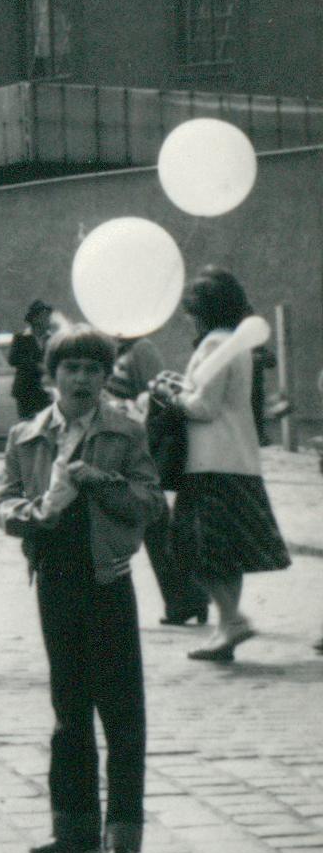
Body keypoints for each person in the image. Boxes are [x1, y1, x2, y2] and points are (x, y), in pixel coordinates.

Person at [0, 325, 162, 853]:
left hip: (107, 578)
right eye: (72, 369)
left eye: (94, 369)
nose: (83, 379)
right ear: (52, 376)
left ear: (105, 377)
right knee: (68, 709)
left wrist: (98, 481)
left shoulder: (125, 431)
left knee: (121, 711)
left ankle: (122, 835)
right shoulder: (27, 434)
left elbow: (151, 502)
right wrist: (33, 512)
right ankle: (72, 825)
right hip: (56, 578)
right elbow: (4, 503)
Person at [153, 267, 291, 662]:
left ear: (203, 311)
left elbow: (203, 407)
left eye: (190, 309)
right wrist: (182, 386)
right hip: (238, 460)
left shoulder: (214, 345)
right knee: (227, 552)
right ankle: (225, 628)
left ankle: (232, 619)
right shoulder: (236, 345)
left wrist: (166, 394)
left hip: (208, 463)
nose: (186, 317)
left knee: (192, 548)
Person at [108, 335, 208, 627]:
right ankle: (188, 597)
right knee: (154, 524)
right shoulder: (120, 347)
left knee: (153, 524)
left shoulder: (142, 348)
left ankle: (186, 597)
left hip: (140, 444)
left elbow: (156, 397)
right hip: (123, 442)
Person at [10, 299, 54, 422]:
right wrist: (36, 366)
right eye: (44, 316)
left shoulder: (52, 338)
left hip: (45, 392)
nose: (48, 320)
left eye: (48, 316)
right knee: (27, 426)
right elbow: (13, 359)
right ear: (35, 319)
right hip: (25, 391)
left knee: (45, 425)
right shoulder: (21, 337)